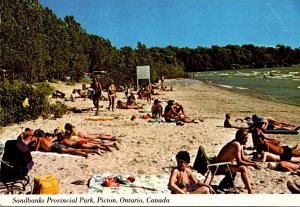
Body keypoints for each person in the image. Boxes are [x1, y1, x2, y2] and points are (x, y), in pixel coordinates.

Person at [216, 129, 262, 194]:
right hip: (219, 166)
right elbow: (239, 162)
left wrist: (252, 163)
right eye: (245, 138)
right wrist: (252, 165)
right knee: (242, 168)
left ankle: (247, 186)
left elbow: (243, 157)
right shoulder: (236, 144)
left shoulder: (240, 144)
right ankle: (250, 191)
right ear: (241, 138)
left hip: (226, 165)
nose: (247, 140)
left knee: (246, 165)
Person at [33, 129, 100, 158]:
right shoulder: (46, 137)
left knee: (72, 151)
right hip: (56, 145)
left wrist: (37, 146)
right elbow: (50, 142)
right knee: (72, 149)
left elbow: (36, 149)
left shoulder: (40, 139)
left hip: (54, 147)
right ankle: (94, 151)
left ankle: (84, 154)